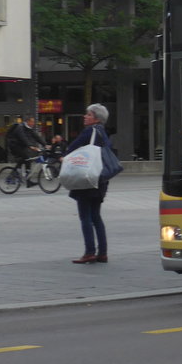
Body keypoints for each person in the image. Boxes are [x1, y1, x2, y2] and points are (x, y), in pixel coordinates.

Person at [64, 104, 114, 264]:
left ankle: (89, 252)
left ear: (96, 119)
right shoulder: (103, 133)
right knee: (96, 216)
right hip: (100, 179)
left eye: (89, 114)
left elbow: (72, 148)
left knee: (85, 216)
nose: (85, 117)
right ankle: (103, 253)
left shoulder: (89, 131)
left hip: (86, 179)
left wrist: (63, 157)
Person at [5, 114, 44, 187]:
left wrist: (45, 145)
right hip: (14, 146)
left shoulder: (29, 129)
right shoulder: (20, 128)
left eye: (33, 122)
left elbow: (37, 137)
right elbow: (23, 138)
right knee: (26, 157)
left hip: (21, 146)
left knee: (27, 159)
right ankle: (15, 174)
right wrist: (30, 146)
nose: (33, 123)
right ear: (27, 121)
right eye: (32, 122)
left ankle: (27, 180)